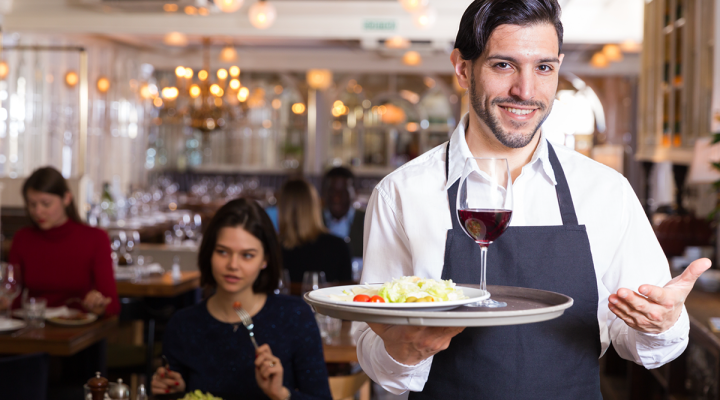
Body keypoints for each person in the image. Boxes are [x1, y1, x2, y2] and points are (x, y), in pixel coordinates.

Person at [354, 1, 711, 399]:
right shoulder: (402, 194)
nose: (525, 91)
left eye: (543, 67)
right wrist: (403, 351)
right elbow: (373, 349)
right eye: (503, 65)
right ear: (462, 68)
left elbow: (641, 344)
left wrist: (662, 323)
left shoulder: (607, 191)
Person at [151, 198, 332, 400]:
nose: (233, 265)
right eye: (222, 252)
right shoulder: (183, 325)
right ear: (209, 252)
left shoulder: (295, 317)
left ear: (265, 259)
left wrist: (281, 394)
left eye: (247, 255)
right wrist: (173, 391)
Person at [9, 166, 119, 316]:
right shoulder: (22, 238)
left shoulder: (95, 238)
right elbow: (12, 299)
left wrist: (98, 304)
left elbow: (112, 304)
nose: (37, 211)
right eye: (32, 204)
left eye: (46, 204)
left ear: (66, 198)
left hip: (78, 329)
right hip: (34, 327)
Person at [278, 179, 352, 284]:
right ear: (315, 206)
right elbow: (347, 294)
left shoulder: (271, 248)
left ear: (282, 209)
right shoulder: (338, 246)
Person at [321, 167, 364, 259]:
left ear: (355, 193)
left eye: (343, 192)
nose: (337, 198)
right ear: (324, 193)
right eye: (332, 191)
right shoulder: (314, 220)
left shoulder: (368, 221)